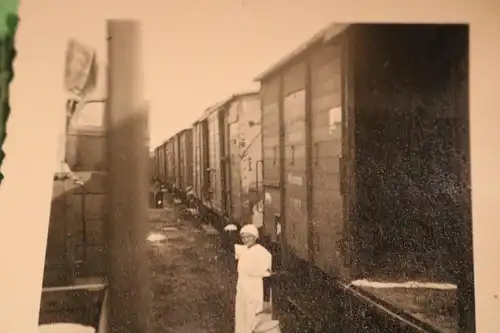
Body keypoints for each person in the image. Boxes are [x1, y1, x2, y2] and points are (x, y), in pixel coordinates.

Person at [234, 224, 272, 333]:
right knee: (241, 318)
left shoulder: (263, 253)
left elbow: (266, 278)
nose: (246, 240)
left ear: (255, 237)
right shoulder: (243, 250)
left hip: (255, 290)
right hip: (242, 290)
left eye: (248, 237)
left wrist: (266, 300)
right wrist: (230, 230)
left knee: (253, 320)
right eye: (243, 237)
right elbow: (229, 244)